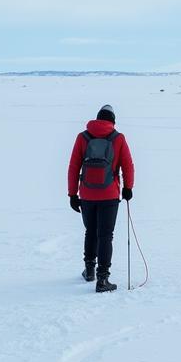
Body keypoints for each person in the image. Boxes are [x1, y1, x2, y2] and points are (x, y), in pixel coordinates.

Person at [67, 104, 135, 292]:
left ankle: (89, 270)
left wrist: (72, 194)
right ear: (112, 121)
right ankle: (102, 279)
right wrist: (128, 188)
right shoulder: (118, 138)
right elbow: (128, 165)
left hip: (87, 193)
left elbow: (73, 167)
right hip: (109, 194)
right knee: (105, 235)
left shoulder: (83, 137)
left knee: (90, 231)